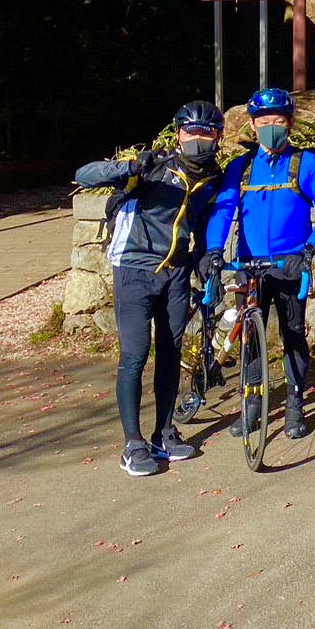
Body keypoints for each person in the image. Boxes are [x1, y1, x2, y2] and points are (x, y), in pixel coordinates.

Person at [75, 101, 226, 477]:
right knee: (135, 356)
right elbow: (84, 174)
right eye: (190, 132)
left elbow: (204, 223)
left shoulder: (213, 178)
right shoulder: (153, 168)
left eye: (206, 133)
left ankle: (163, 433)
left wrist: (208, 259)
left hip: (176, 274)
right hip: (134, 270)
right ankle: (132, 444)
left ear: (218, 137)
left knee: (171, 355)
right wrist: (127, 168)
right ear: (178, 134)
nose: (197, 139)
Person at [203, 88, 315, 441]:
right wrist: (215, 250)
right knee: (250, 336)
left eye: (278, 121)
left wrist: (309, 249)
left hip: (290, 263)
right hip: (249, 266)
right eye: (264, 122)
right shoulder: (241, 167)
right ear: (252, 125)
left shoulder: (306, 163)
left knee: (292, 335)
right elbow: (222, 211)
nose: (271, 127)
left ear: (290, 123)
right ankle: (252, 404)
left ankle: (295, 404)